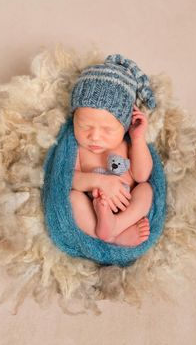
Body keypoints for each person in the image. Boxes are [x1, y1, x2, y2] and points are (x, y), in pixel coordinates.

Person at [68, 54, 156, 247]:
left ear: (124, 125)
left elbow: (141, 175)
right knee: (73, 198)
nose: (95, 137)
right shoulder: (78, 148)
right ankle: (111, 236)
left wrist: (138, 138)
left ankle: (116, 226)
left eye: (107, 130)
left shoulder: (125, 144)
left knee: (146, 190)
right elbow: (71, 179)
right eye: (84, 126)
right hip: (94, 210)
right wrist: (100, 182)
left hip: (125, 206)